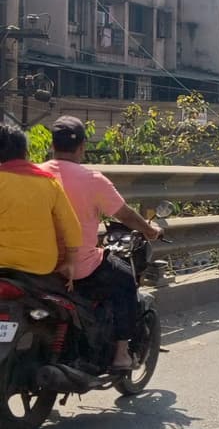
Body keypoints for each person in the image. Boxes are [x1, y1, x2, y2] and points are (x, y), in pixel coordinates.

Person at [40, 116, 161, 371]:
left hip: (36, 264)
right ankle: (120, 355)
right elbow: (125, 214)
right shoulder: (92, 179)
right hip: (79, 267)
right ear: (82, 146)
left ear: (52, 144)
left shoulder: (36, 174)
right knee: (125, 279)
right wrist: (149, 230)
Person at [0, 123, 81, 284]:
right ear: (26, 152)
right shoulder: (49, 183)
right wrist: (70, 261)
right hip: (42, 266)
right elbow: (72, 227)